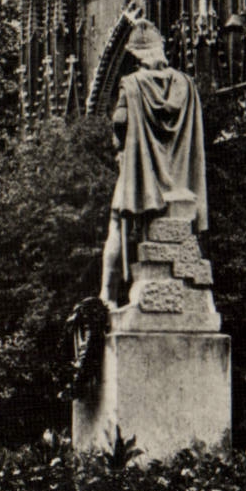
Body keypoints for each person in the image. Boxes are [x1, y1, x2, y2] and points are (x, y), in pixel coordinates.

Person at [99, 18, 207, 305]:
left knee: (117, 224)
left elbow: (120, 121)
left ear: (137, 56)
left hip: (142, 174)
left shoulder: (132, 84)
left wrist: (119, 145)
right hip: (179, 183)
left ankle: (106, 295)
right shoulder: (186, 85)